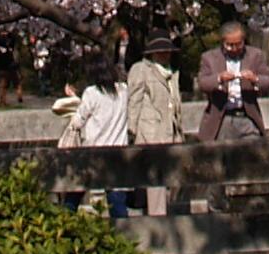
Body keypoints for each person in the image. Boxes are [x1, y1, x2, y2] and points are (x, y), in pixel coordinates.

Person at [59, 61, 136, 218]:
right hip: (117, 152)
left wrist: (73, 98)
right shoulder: (123, 90)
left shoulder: (91, 93)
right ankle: (122, 230)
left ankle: (64, 222)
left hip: (93, 152)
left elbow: (78, 121)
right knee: (117, 200)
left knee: (75, 194)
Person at [123, 38, 184, 215]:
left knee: (173, 177)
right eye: (160, 51)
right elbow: (134, 100)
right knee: (155, 177)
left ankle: (169, 212)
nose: (164, 54)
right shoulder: (141, 69)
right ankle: (158, 216)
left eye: (167, 51)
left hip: (171, 130)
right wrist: (132, 130)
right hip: (150, 131)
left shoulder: (172, 72)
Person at [195, 21, 269, 143]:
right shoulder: (209, 58)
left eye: (238, 44)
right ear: (223, 42)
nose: (234, 49)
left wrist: (255, 79)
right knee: (224, 152)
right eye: (230, 45)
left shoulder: (255, 55)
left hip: (247, 116)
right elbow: (202, 83)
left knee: (253, 151)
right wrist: (219, 78)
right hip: (222, 118)